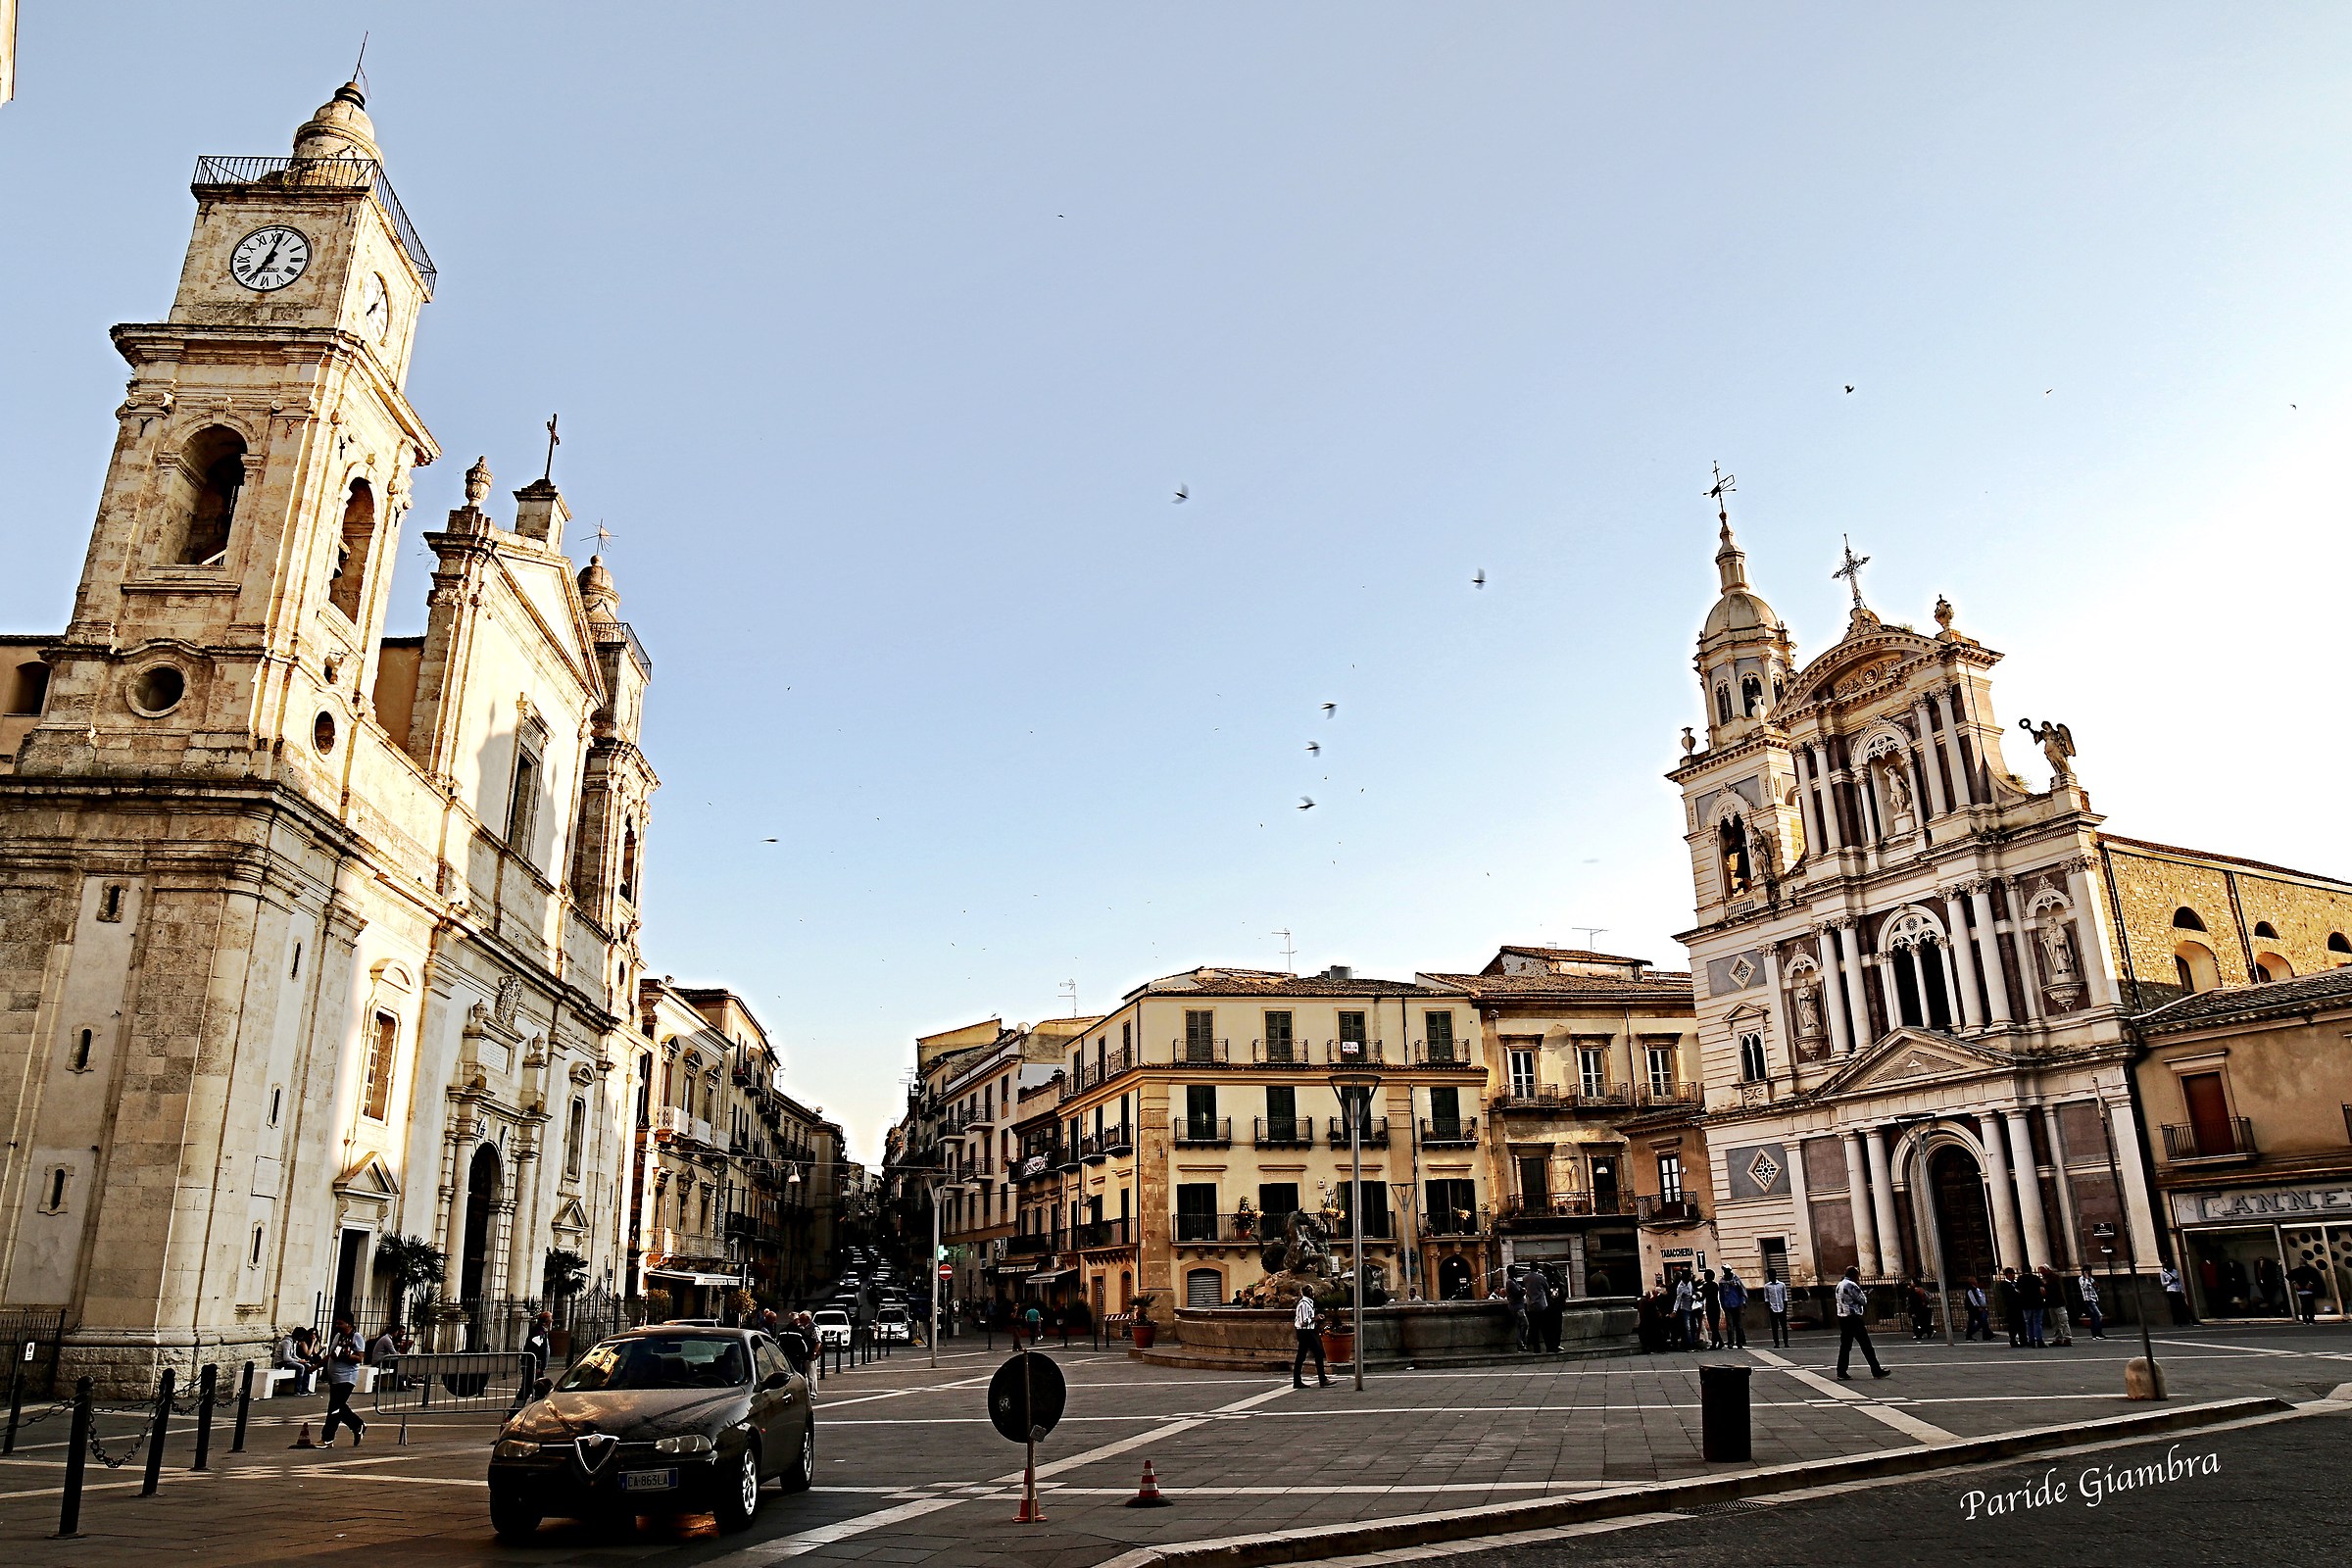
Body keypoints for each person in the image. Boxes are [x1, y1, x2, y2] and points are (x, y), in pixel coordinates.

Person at [319, 1316, 368, 1447]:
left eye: (340, 1323)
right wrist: (315, 1366)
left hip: (347, 1378)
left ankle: (327, 1438)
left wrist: (344, 1356)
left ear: (349, 1324)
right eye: (336, 1323)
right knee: (339, 1406)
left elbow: (359, 1358)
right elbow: (331, 1355)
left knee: (334, 1408)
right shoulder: (338, 1336)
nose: (337, 1325)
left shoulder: (356, 1337)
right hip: (335, 1378)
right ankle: (357, 1425)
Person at [1834, 1266, 1889, 1381]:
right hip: (1853, 1318)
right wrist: (1865, 1294)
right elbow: (1863, 1301)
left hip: (1843, 1318)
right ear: (1854, 1275)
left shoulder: (1840, 1284)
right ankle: (1876, 1370)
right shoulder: (1852, 1285)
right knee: (1866, 1345)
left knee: (1845, 1346)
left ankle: (1841, 1371)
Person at [1292, 1292, 1331, 1389]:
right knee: (1317, 1353)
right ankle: (1322, 1379)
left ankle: (1297, 1380)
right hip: (1305, 1332)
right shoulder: (1304, 1304)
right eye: (1312, 1292)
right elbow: (1303, 1322)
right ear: (1309, 1292)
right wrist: (1315, 1318)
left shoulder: (1307, 1303)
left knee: (1301, 1355)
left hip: (1307, 1331)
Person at [274, 1327, 317, 1396]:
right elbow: (286, 1357)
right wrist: (299, 1361)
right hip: (281, 1363)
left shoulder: (294, 1342)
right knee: (301, 1367)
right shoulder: (287, 1342)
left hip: (288, 1361)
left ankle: (305, 1388)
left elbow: (293, 1355)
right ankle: (297, 1390)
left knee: (307, 1366)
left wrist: (302, 1360)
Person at [1522, 1265, 1553, 1355]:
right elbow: (1547, 1288)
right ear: (1536, 1268)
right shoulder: (1540, 1277)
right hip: (1541, 1305)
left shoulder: (1525, 1278)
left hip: (1531, 1306)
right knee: (1545, 1328)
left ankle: (1536, 1348)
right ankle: (1549, 1347)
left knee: (1534, 1329)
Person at [2040, 1267, 2074, 1346]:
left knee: (2063, 1320)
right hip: (2051, 1303)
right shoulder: (2046, 1280)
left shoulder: (2054, 1278)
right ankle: (2058, 1338)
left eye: (2042, 1271)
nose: (2041, 1273)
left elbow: (2053, 1289)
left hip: (2058, 1302)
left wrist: (2045, 1287)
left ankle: (2067, 1338)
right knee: (2055, 1322)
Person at [2017, 1265, 2047, 1348]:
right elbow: (2042, 1290)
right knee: (2037, 1322)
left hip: (2026, 1304)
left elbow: (2018, 1291)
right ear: (2030, 1270)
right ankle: (2039, 1340)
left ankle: (2031, 1341)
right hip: (2037, 1302)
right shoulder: (2036, 1278)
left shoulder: (2020, 1279)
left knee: (2028, 1323)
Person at [1719, 1268, 1748, 1348]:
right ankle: (1731, 1342)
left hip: (1737, 1304)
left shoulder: (1736, 1280)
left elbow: (1742, 1291)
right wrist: (1723, 1304)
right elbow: (1721, 1295)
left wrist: (1743, 1302)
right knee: (1729, 1325)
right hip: (1727, 1305)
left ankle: (1739, 1342)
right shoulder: (1722, 1282)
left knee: (1738, 1325)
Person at [2289, 1260, 2325, 1325]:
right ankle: (2311, 1319)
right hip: (2309, 1289)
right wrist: (2310, 1283)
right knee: (2310, 1305)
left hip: (2300, 1290)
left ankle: (2305, 1319)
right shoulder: (2311, 1270)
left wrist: (2295, 1282)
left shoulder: (2296, 1271)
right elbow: (2316, 1278)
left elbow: (2288, 1276)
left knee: (2303, 1305)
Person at [523, 1310, 555, 1383]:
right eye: (550, 1319)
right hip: (533, 1365)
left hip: (535, 1364)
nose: (552, 1321)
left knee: (534, 1386)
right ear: (547, 1321)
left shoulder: (541, 1331)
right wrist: (538, 1366)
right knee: (531, 1386)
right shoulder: (539, 1332)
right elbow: (536, 1349)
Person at [2075, 1267, 2105, 1339]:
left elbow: (2095, 1289)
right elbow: (2084, 1287)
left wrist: (2097, 1286)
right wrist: (2087, 1278)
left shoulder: (2091, 1279)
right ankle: (2098, 1333)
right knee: (2099, 1315)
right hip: (2089, 1300)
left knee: (2094, 1317)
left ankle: (2095, 1334)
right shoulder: (2082, 1279)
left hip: (2094, 1299)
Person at [1995, 1268, 2023, 1347]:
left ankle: (2023, 1339)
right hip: (2010, 1307)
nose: (2013, 1276)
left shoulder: (2016, 1283)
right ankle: (2013, 1340)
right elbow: (2010, 1294)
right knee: (2013, 1325)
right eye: (2011, 1274)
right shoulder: (2004, 1284)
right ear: (2007, 1275)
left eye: (2013, 1274)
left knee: (2021, 1324)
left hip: (2019, 1307)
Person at [1763, 1271, 1789, 1348]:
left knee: (1784, 1326)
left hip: (1781, 1308)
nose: (1770, 1277)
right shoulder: (1767, 1286)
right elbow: (1766, 1298)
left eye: (1771, 1275)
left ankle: (1786, 1342)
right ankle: (1776, 1343)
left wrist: (1785, 1308)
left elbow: (1785, 1297)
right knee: (1774, 1327)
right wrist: (1769, 1308)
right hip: (1773, 1309)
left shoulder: (1782, 1285)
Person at [1672, 1274, 1698, 1350]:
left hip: (1692, 1307)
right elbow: (1678, 1299)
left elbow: (1693, 1291)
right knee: (1687, 1327)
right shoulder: (1680, 1287)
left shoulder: (1689, 1283)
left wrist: (1695, 1295)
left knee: (1694, 1325)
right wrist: (1675, 1310)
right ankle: (1690, 1344)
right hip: (1685, 1308)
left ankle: (1693, 1341)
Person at [1698, 1269, 1723, 1349]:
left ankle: (1716, 1343)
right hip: (1712, 1306)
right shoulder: (1711, 1285)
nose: (1704, 1277)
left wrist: (1699, 1295)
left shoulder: (1711, 1285)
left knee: (1714, 1326)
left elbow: (1704, 1296)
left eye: (1705, 1275)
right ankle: (1719, 1342)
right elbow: (1703, 1297)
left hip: (1712, 1306)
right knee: (1714, 1326)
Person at [1505, 1272, 1530, 1351]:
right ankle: (1521, 1343)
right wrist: (1523, 1291)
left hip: (1517, 1306)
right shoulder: (1511, 1282)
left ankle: (1521, 1344)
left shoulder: (1513, 1281)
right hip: (1517, 1307)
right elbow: (1518, 1293)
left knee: (1519, 1325)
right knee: (1525, 1324)